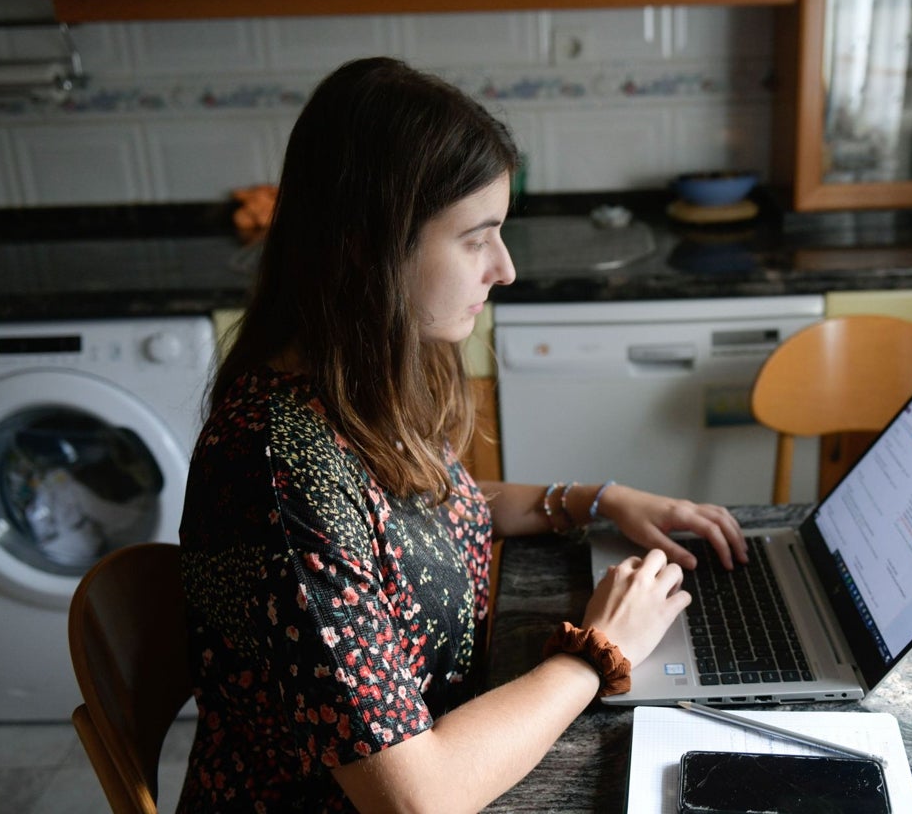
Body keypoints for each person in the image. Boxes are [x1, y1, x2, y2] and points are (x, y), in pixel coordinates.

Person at [177, 56, 746, 814]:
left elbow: (424, 514)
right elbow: (420, 799)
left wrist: (596, 499)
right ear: (367, 246)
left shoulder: (353, 380)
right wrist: (598, 651)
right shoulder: (276, 477)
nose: (504, 269)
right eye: (477, 238)